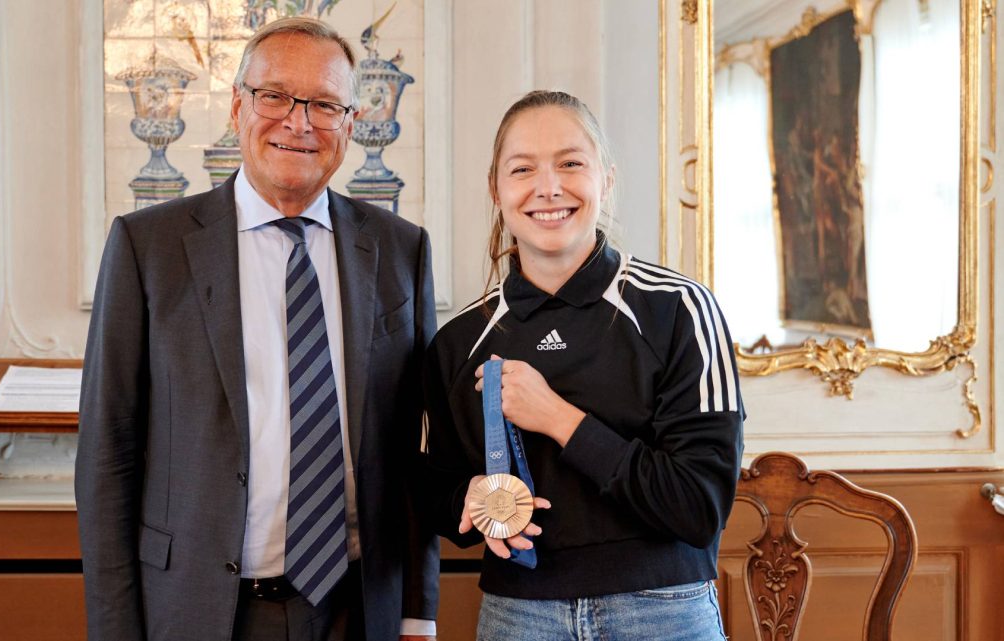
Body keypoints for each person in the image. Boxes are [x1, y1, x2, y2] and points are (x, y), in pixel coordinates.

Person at [75, 17, 438, 641]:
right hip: (199, 608)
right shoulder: (149, 247)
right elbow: (107, 454)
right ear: (238, 107)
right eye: (275, 96)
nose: (299, 122)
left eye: (325, 104)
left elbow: (414, 452)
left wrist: (417, 613)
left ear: (351, 123)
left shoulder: (401, 251)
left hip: (358, 607)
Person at [422, 90, 744, 641]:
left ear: (606, 178)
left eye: (571, 163)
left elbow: (699, 506)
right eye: (523, 169)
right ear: (496, 189)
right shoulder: (456, 342)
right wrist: (469, 500)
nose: (549, 188)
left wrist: (558, 418)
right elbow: (433, 489)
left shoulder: (681, 309)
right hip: (517, 614)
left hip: (662, 610)